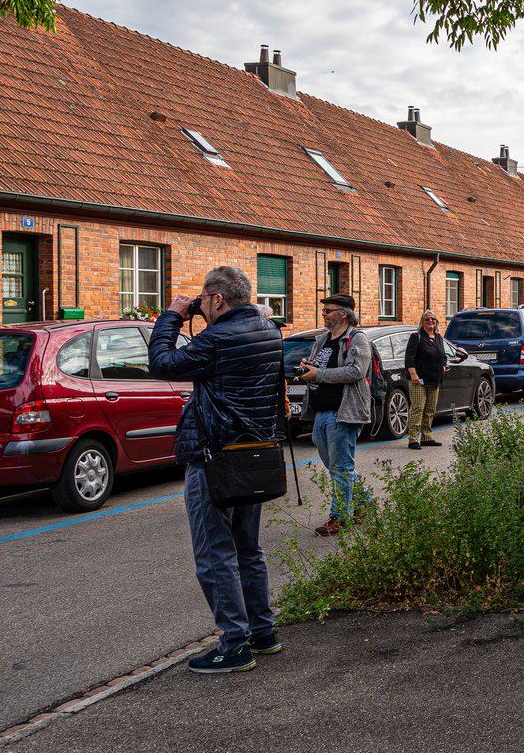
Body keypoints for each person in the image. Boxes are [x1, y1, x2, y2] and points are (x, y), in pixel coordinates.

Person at [148, 266, 283, 673]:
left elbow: (162, 364)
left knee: (214, 554)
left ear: (218, 300)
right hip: (254, 453)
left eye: (203, 300)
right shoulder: (267, 332)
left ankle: (234, 645)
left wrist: (172, 314)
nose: (199, 305)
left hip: (215, 458)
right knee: (248, 549)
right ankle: (263, 631)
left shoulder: (218, 338)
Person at [297, 293, 372, 535]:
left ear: (344, 313)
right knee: (337, 466)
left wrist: (317, 374)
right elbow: (321, 368)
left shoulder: (357, 339)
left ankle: (339, 517)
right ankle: (365, 503)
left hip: (343, 412)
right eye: (324, 310)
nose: (324, 313)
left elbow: (356, 372)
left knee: (340, 468)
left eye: (328, 310)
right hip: (320, 412)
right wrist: (308, 366)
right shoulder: (321, 340)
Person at [404, 308, 447, 449]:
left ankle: (427, 437)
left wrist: (444, 366)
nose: (430, 321)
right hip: (419, 380)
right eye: (427, 319)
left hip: (434, 379)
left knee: (430, 410)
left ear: (436, 321)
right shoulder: (417, 337)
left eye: (433, 319)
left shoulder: (439, 337)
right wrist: (413, 374)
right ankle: (413, 439)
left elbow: (443, 356)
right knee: (418, 408)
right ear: (422, 322)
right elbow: (409, 358)